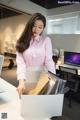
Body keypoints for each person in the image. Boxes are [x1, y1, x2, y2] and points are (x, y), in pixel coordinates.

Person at [16, 13, 56, 96]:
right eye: (34, 26)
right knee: (27, 102)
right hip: (27, 77)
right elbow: (21, 63)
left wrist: (53, 79)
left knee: (40, 104)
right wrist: (21, 82)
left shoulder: (46, 40)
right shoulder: (21, 42)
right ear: (29, 25)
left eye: (40, 27)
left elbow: (49, 61)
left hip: (42, 77)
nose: (36, 29)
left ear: (43, 29)